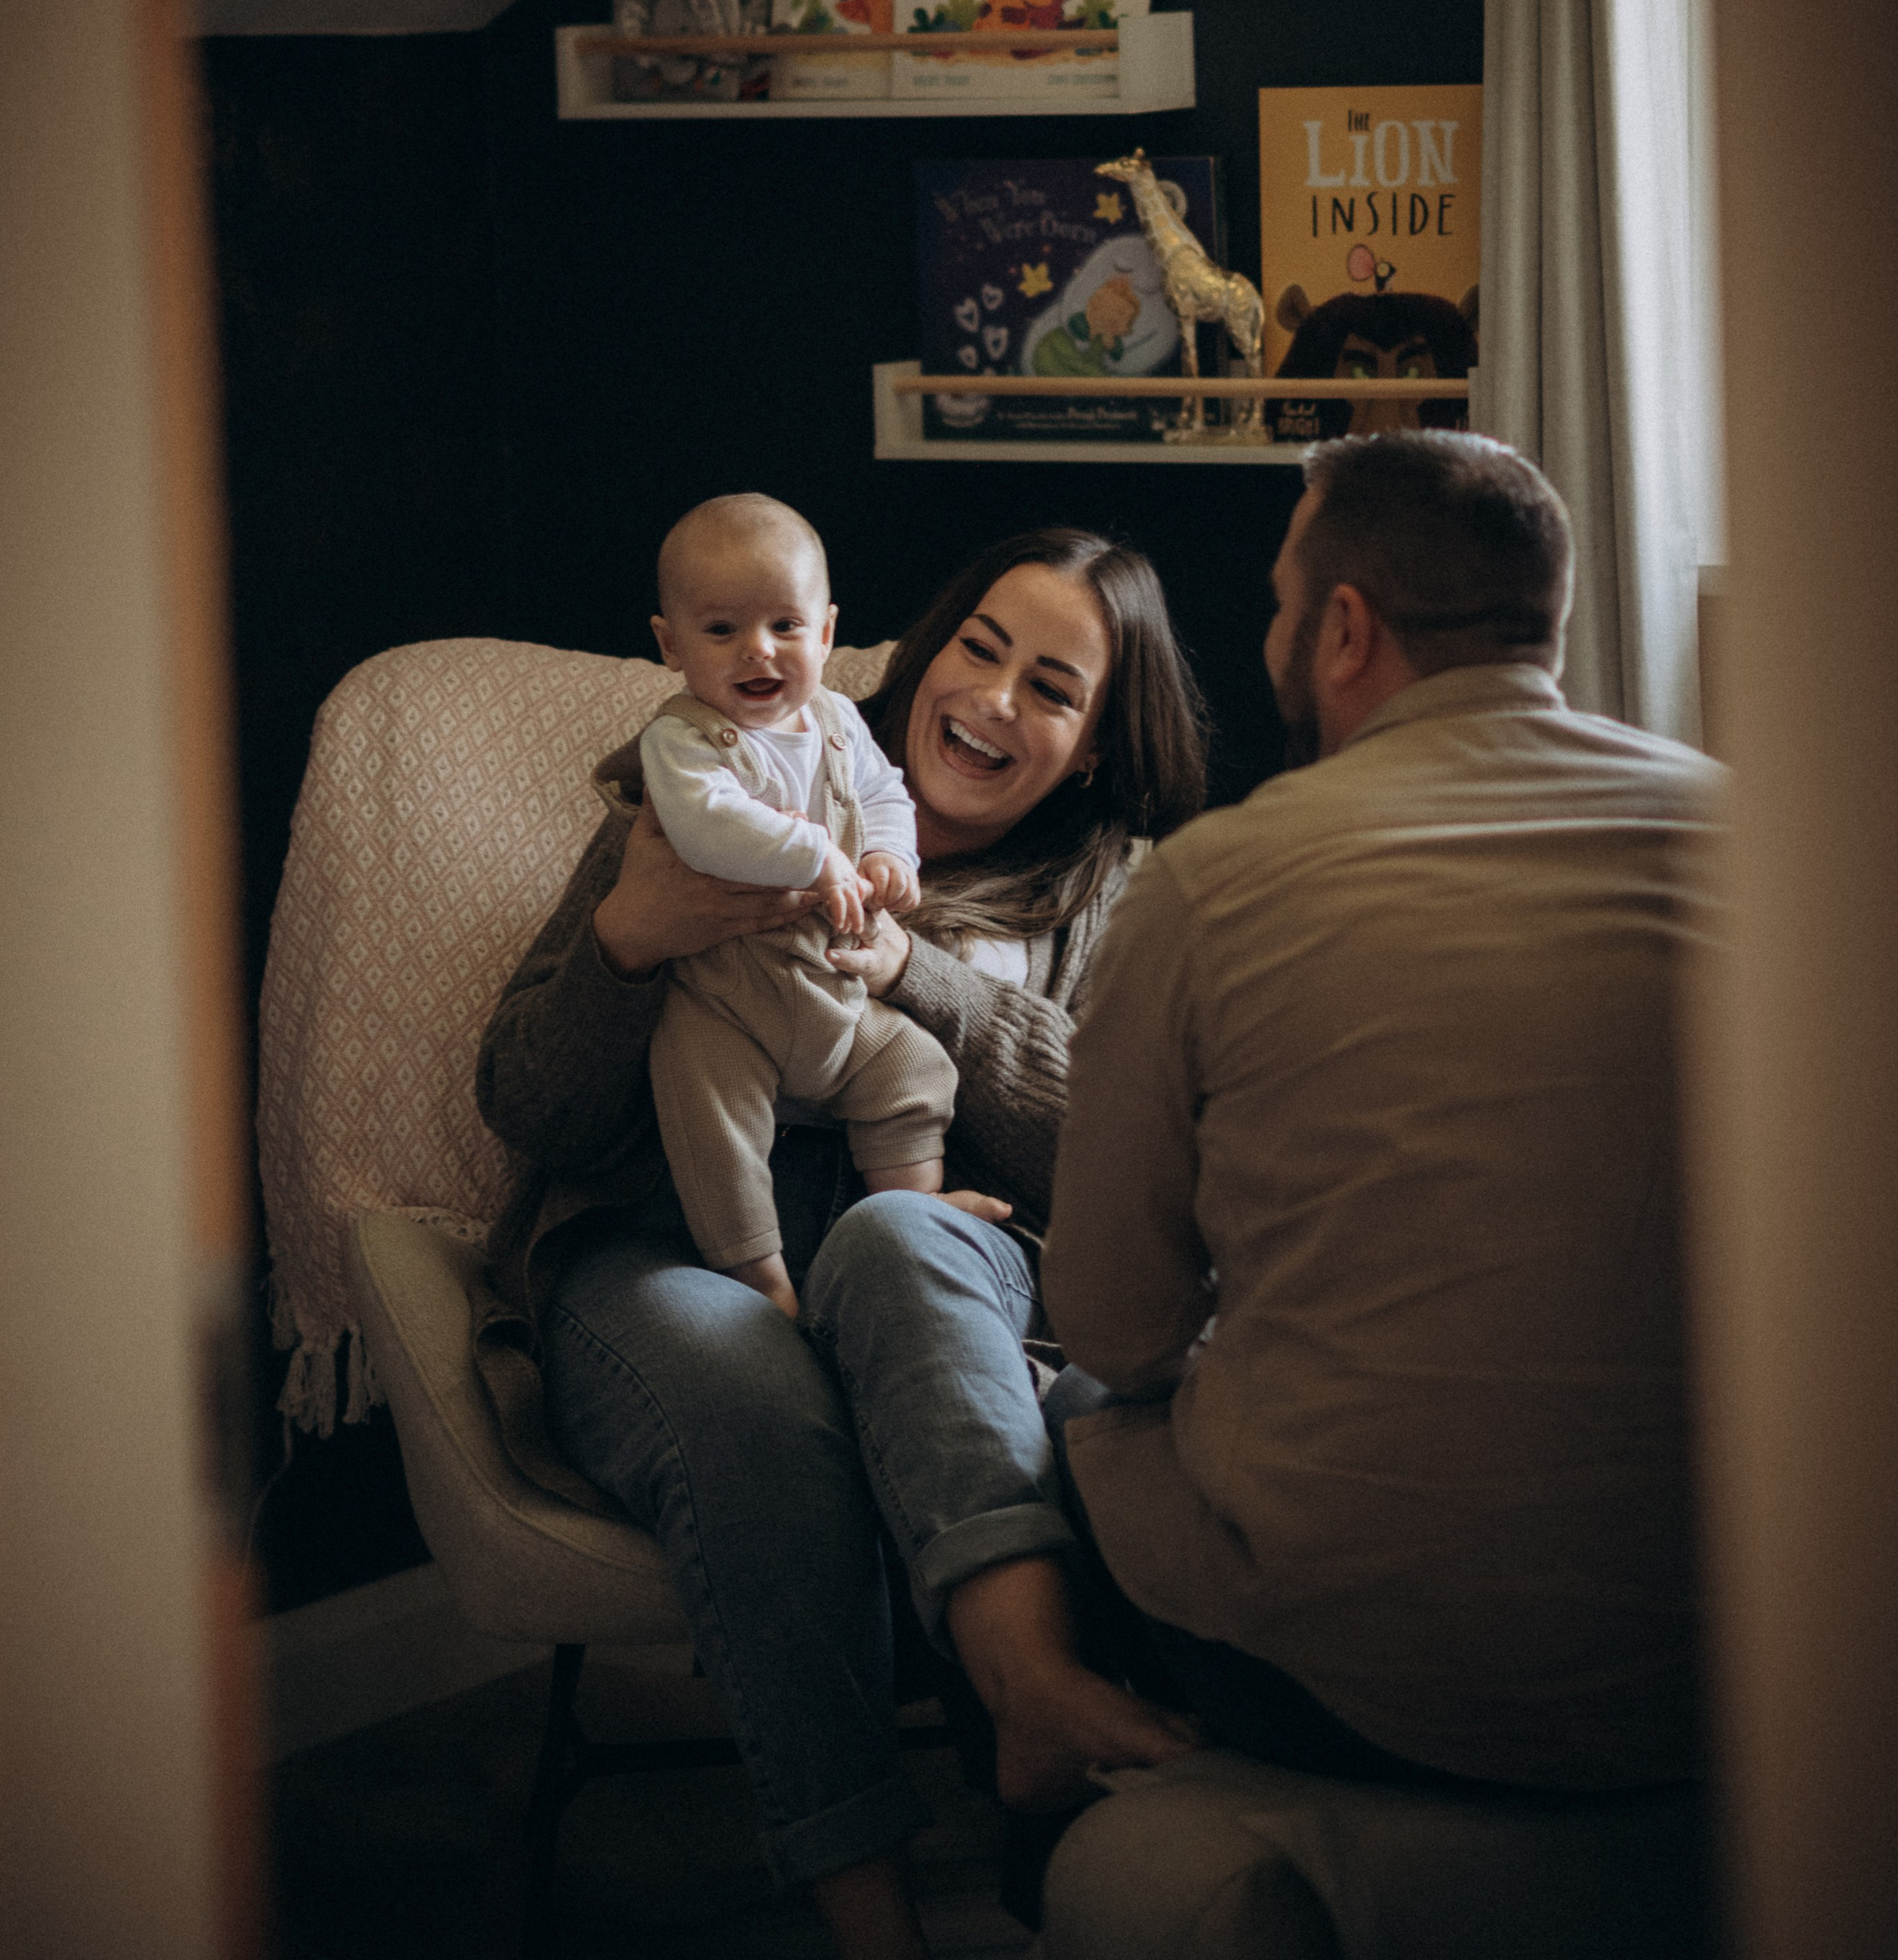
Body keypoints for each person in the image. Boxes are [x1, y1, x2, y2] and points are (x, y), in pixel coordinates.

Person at [472, 525, 1209, 1960]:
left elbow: (1123, 1152)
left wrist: (916, 972)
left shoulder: (1117, 891)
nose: (990, 700)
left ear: (1099, 749)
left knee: (952, 1300)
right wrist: (628, 939)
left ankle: (1052, 1763)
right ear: (921, 648)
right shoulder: (708, 771)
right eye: (978, 648)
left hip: (954, 1269)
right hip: (666, 1246)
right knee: (749, 1393)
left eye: (1050, 687)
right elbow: (525, 1104)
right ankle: (872, 1921)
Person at [1032, 431, 1725, 1807]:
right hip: (1723, 1661)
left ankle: (1052, 1809)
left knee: (1078, 1395)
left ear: (1346, 629)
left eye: (1286, 602)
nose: (1276, 629)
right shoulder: (1745, 833)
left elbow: (1117, 1324)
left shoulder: (1213, 883)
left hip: (1365, 1686)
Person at [626, 494, 948, 1321]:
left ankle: (917, 1225)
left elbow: (884, 792)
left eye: (785, 625)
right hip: (728, 1003)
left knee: (913, 1068)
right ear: (669, 643)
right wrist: (818, 853)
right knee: (709, 1113)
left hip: (834, 997)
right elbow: (708, 828)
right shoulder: (681, 740)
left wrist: (886, 854)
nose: (759, 651)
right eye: (723, 629)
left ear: (827, 632)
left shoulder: (839, 721)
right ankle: (758, 1273)